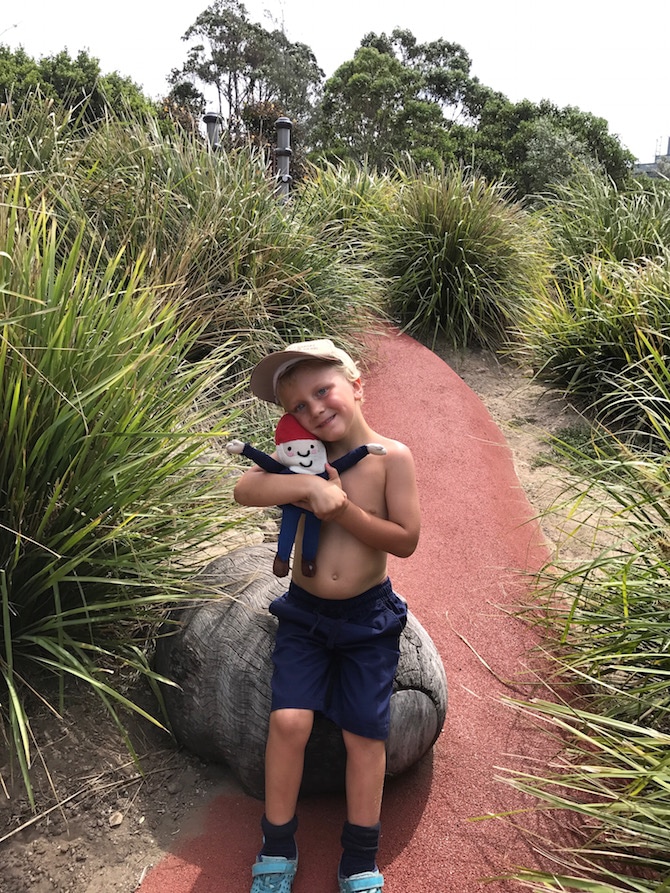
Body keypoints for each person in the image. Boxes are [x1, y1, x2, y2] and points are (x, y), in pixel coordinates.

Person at [233, 338, 421, 893]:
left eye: (323, 391)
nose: (314, 410)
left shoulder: (392, 458)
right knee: (289, 721)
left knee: (366, 735)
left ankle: (359, 858)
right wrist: (308, 486)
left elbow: (405, 540)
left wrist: (343, 509)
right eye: (298, 407)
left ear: (356, 386)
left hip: (369, 619)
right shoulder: (304, 461)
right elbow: (246, 487)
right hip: (305, 615)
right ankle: (276, 845)